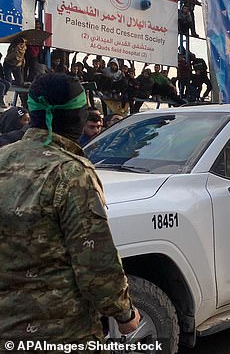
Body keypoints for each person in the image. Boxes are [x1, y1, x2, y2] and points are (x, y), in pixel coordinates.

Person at [0, 74, 140, 341]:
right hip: (59, 332)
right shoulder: (71, 173)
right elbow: (95, 264)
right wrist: (125, 314)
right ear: (75, 117)